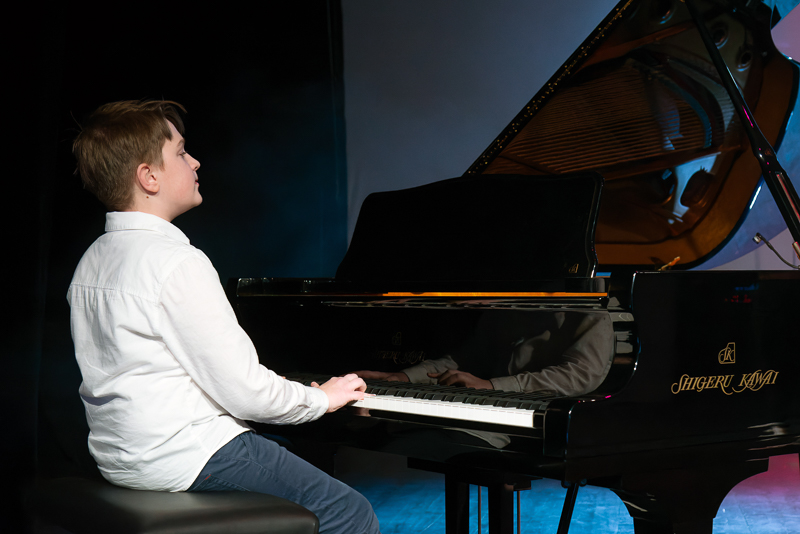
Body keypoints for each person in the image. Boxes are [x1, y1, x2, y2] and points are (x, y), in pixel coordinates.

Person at [68, 99, 380, 534]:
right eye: (181, 152)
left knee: (285, 447)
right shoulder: (176, 261)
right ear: (148, 177)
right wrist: (321, 399)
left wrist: (281, 396)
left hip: (124, 458)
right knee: (351, 512)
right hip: (185, 456)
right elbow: (246, 393)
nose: (195, 161)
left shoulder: (93, 259)